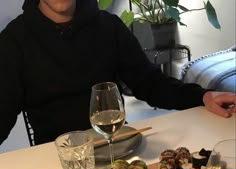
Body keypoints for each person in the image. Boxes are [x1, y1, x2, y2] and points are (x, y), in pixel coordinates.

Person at [0, 0, 235, 146]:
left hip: (115, 145)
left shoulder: (109, 27)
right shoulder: (14, 41)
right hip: (55, 157)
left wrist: (202, 96)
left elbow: (149, 83)